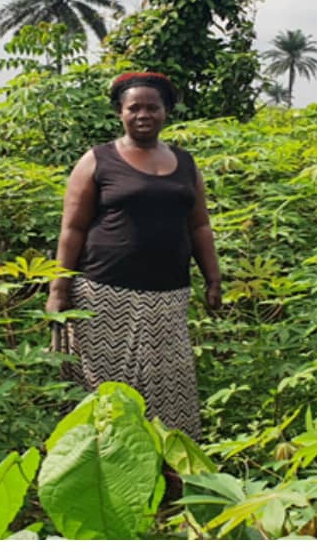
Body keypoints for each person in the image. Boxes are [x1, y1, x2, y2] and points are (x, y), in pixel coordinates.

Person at [46, 72, 221, 441]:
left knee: (169, 388)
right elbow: (72, 228)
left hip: (168, 295)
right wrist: (58, 289)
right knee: (103, 388)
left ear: (166, 112)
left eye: (152, 107)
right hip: (103, 293)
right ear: (120, 113)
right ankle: (99, 467)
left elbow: (199, 226)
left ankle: (166, 473)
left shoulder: (186, 164)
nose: (144, 114)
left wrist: (213, 279)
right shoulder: (97, 160)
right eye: (134, 108)